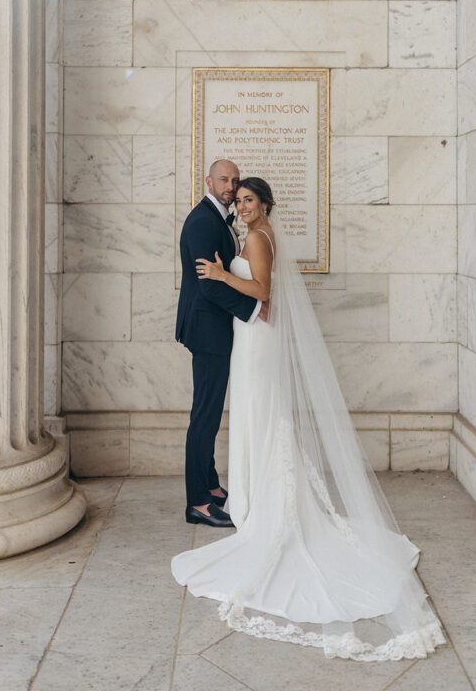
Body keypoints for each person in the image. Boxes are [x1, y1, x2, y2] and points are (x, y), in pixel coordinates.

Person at [171, 177, 446, 662]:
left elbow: (261, 289)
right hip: (253, 337)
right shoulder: (252, 233)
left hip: (254, 340)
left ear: (264, 204)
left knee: (259, 414)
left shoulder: (257, 237)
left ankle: (261, 505)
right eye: (239, 200)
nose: (242, 204)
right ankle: (255, 494)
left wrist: (219, 275)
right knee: (259, 416)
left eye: (249, 199)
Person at [175, 159, 268, 529]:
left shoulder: (219, 219)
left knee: (210, 414)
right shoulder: (202, 221)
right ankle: (197, 502)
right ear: (208, 180)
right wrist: (253, 308)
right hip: (208, 332)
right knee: (205, 416)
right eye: (224, 180)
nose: (230, 187)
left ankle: (211, 486)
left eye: (234, 180)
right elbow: (209, 283)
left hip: (214, 329)